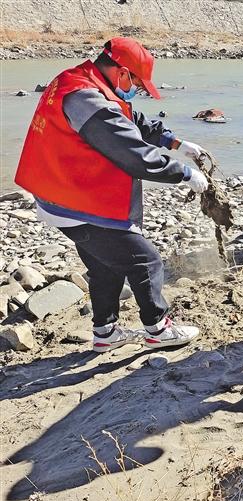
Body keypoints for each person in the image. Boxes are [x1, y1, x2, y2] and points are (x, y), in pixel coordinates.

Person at [14, 37, 209, 353]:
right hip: (74, 201)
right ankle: (158, 330)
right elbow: (134, 155)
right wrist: (184, 173)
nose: (137, 91)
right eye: (138, 84)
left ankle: (105, 333)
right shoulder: (88, 101)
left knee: (105, 266)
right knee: (146, 261)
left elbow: (128, 118)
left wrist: (173, 142)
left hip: (63, 192)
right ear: (122, 73)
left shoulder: (81, 80)